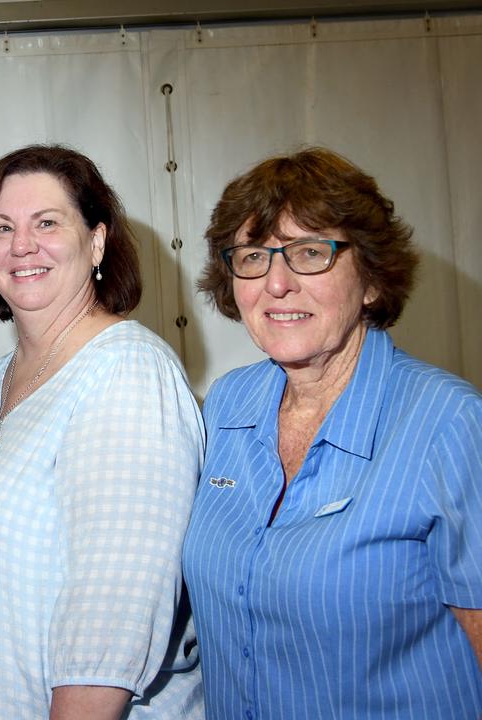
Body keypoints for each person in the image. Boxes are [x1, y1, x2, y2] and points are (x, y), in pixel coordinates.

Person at [183, 147, 482, 718]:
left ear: (370, 278)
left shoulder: (450, 424)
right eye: (252, 257)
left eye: (309, 254)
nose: (276, 284)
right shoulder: (226, 404)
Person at [0, 145, 204, 719]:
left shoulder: (128, 374)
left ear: (96, 241)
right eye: (3, 227)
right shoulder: (2, 379)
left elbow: (110, 626)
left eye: (47, 223)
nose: (22, 244)